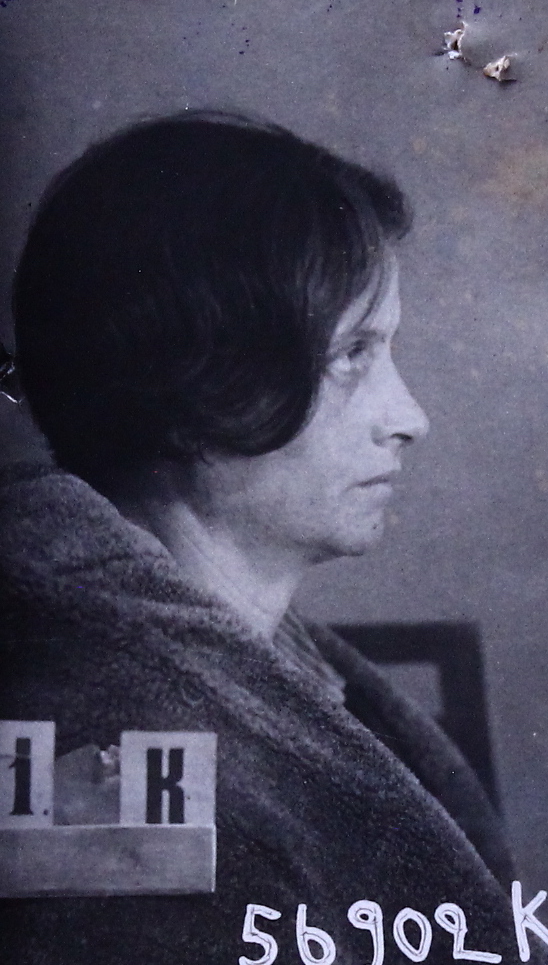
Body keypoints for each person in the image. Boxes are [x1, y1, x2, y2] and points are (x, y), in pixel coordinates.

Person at [0, 114, 520, 963]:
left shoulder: (271, 679)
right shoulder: (97, 749)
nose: (410, 417)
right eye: (353, 354)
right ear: (199, 385)